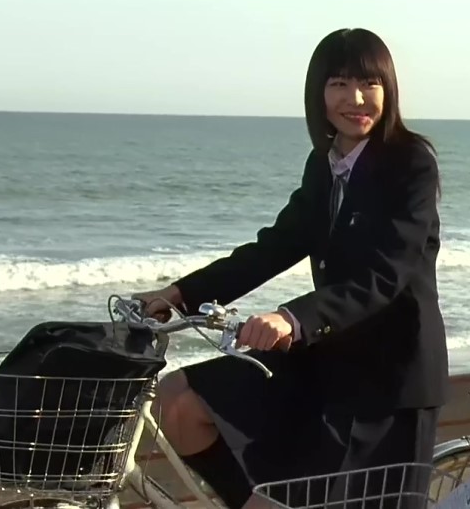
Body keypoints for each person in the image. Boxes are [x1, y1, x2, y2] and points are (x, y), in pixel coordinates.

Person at [132, 28, 447, 509]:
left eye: (370, 83)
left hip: (391, 379)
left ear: (389, 89)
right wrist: (179, 294)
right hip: (327, 361)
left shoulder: (411, 163)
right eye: (339, 84)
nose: (356, 99)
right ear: (319, 93)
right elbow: (277, 245)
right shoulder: (324, 164)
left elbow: (385, 274)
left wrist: (291, 318)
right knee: (178, 400)